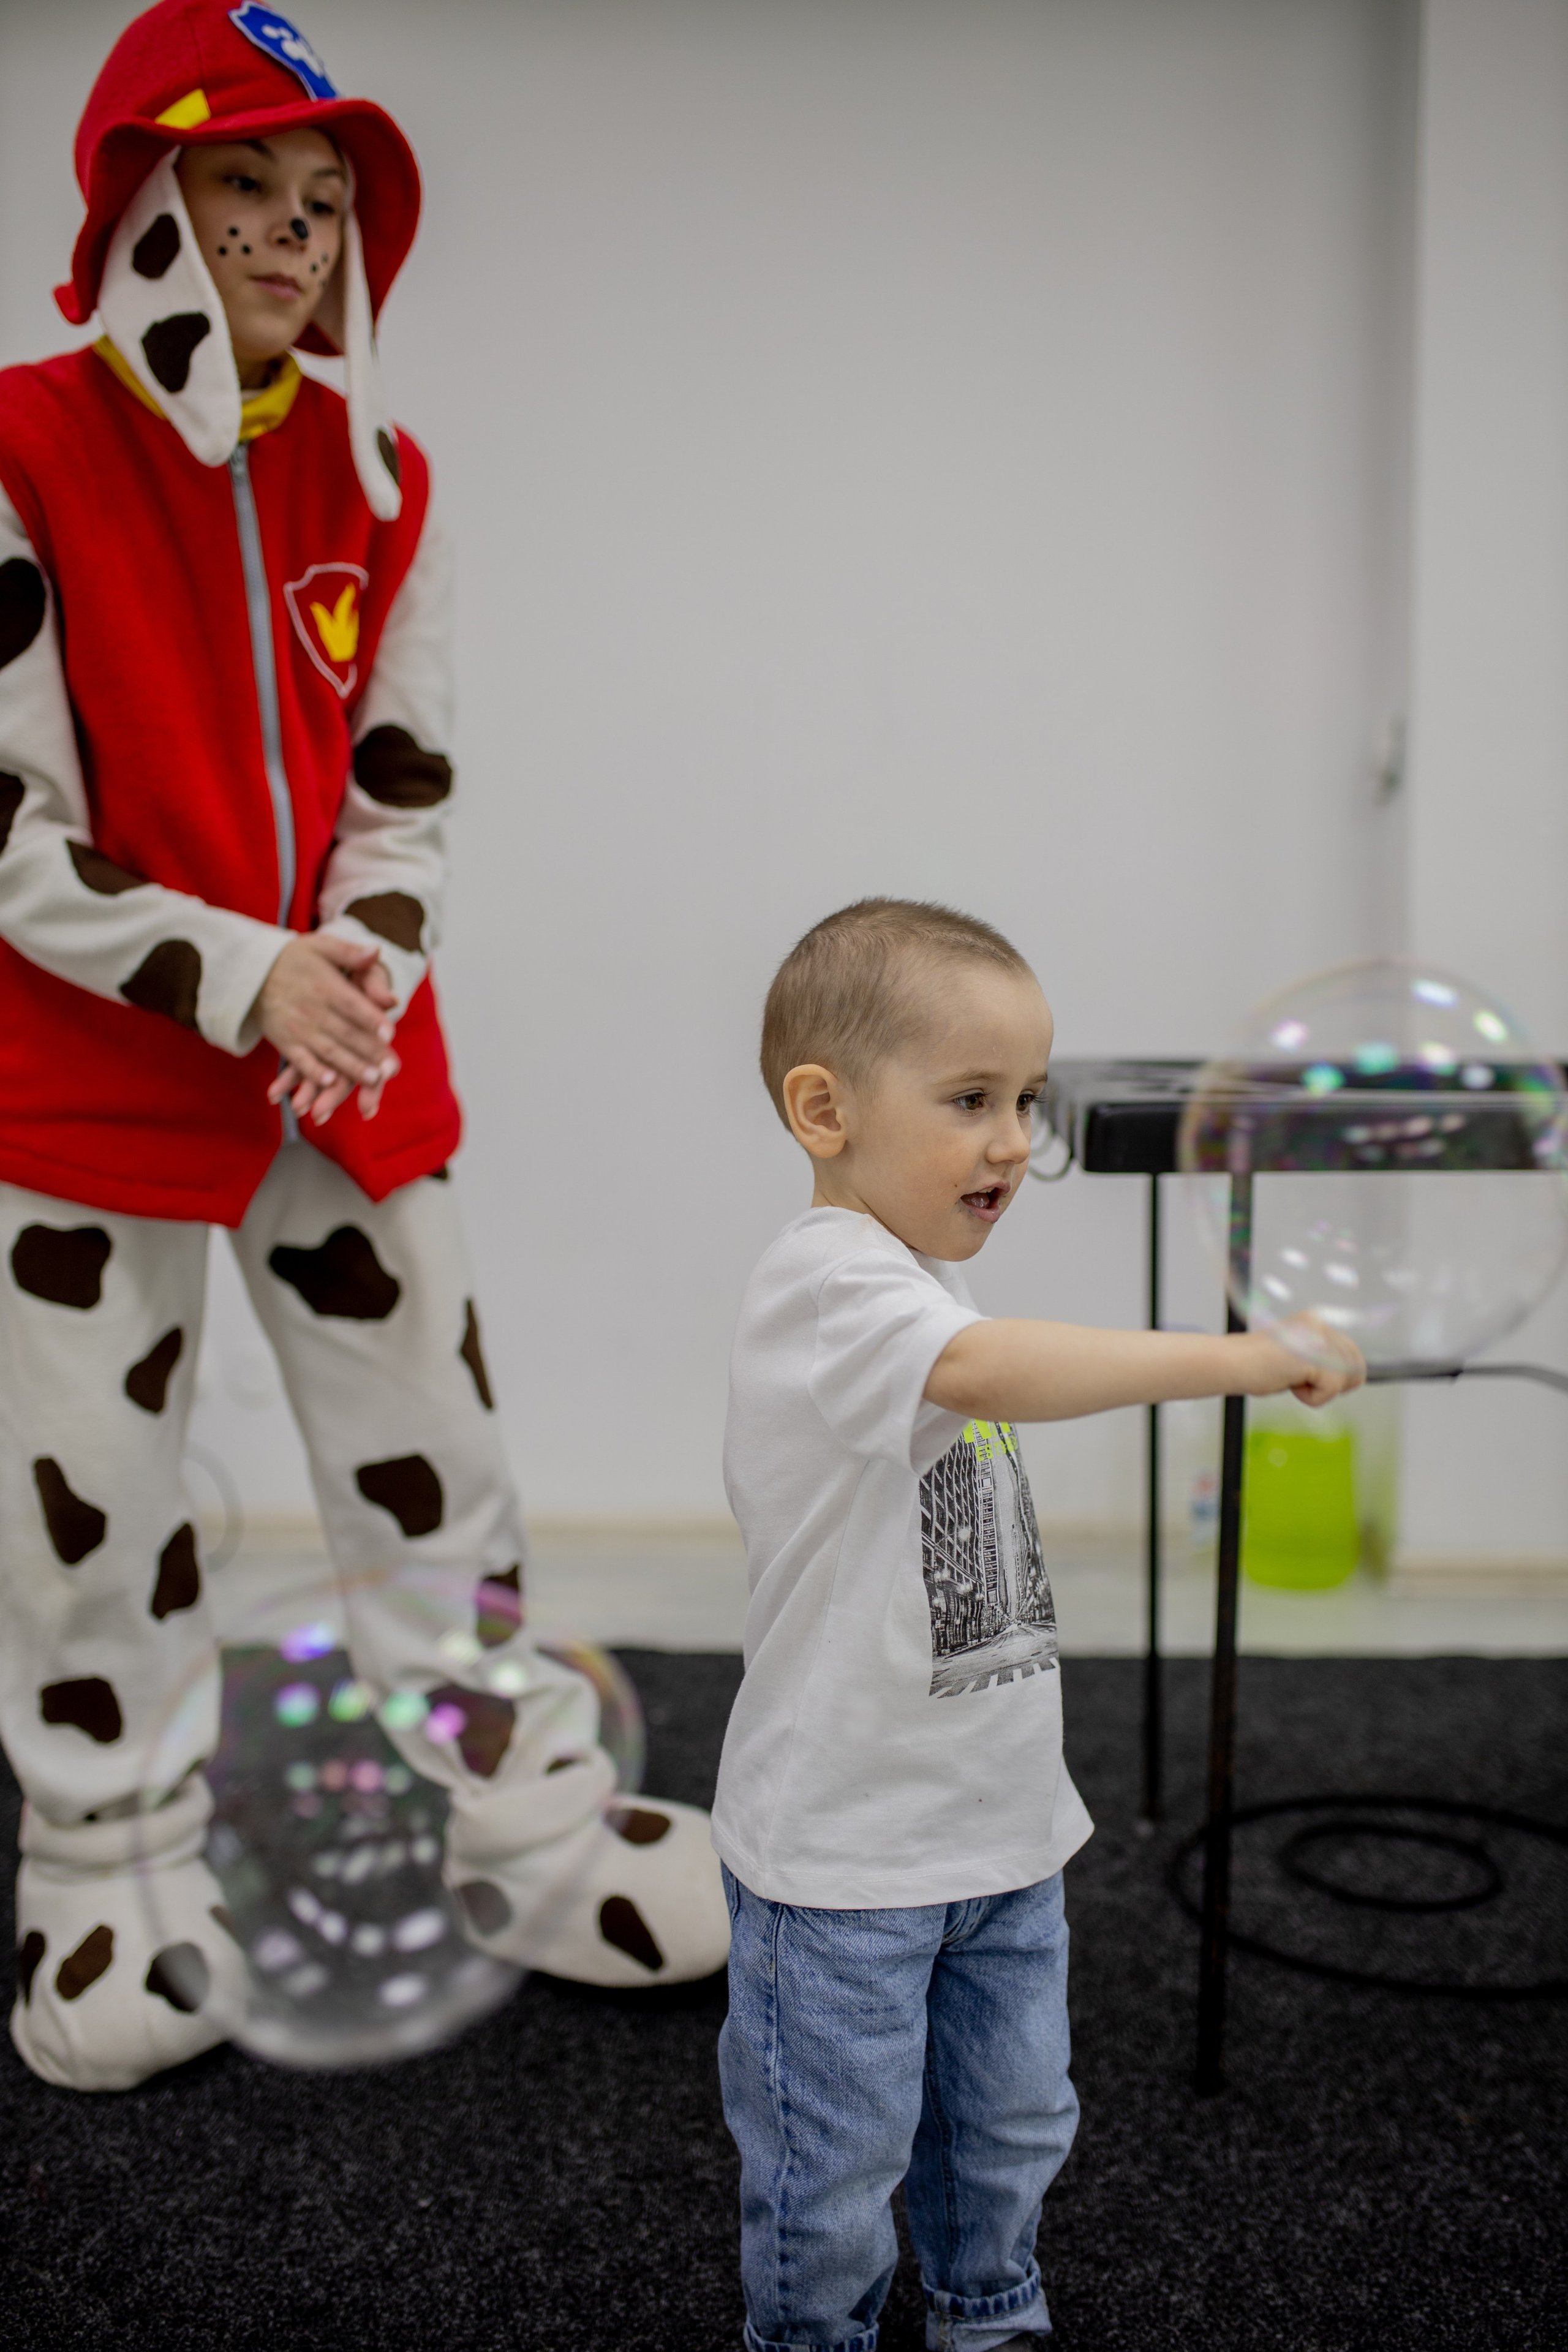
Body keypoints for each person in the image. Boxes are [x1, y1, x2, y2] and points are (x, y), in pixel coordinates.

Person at [0, 0, 726, 2094]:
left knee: (438, 1458)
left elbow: (403, 796)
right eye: (245, 183)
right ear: (147, 206)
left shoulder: (385, 476)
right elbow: (9, 828)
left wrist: (359, 972)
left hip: (343, 1059)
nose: (294, 231)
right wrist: (241, 974)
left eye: (324, 199)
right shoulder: (22, 450)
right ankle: (107, 1867)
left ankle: (526, 1824)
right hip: (95, 1071)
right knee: (91, 1496)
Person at [714, 898, 1364, 2352]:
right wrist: (1244, 1356)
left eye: (1025, 1098)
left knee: (1009, 2125)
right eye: (969, 1100)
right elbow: (993, 1370)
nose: (1013, 1139)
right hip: (844, 1858)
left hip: (995, 1831)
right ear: (821, 1111)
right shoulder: (824, 1284)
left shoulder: (918, 1279)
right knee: (833, 2171)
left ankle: (988, 2313)